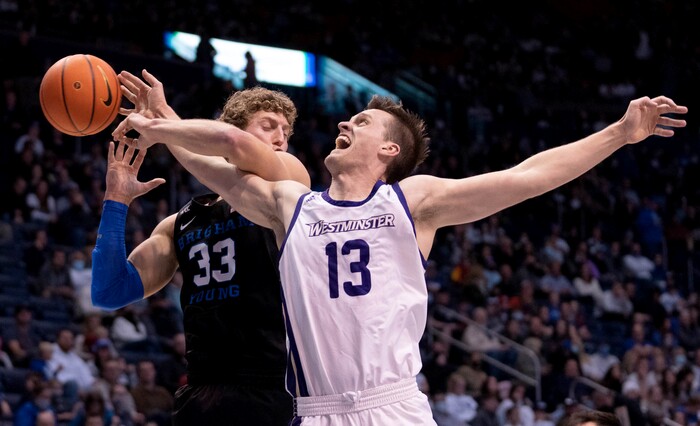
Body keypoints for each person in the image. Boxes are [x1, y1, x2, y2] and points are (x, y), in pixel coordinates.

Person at [113, 93, 686, 424]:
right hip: (314, 411)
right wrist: (164, 126)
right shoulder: (289, 206)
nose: (343, 123)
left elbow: (526, 177)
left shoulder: (413, 201)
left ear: (389, 150)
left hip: (392, 408)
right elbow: (217, 159)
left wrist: (616, 133)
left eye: (360, 122)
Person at [91, 69, 309, 425]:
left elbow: (235, 145)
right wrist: (116, 202)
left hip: (275, 387)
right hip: (202, 393)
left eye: (286, 131)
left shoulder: (290, 183)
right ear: (233, 126)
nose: (281, 137)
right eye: (269, 125)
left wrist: (162, 121)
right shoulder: (179, 223)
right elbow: (107, 291)